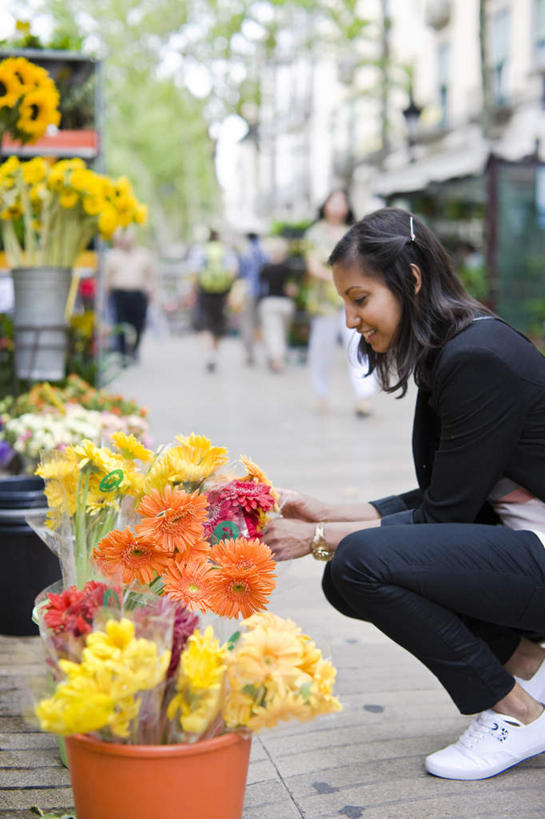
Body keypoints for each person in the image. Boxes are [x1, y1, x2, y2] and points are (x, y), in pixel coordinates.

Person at [264, 206, 545, 781]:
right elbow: (447, 494)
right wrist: (328, 513)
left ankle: (519, 714)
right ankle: (531, 665)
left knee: (361, 562)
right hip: (525, 547)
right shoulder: (452, 350)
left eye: (360, 299)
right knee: (346, 573)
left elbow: (443, 515)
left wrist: (316, 537)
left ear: (411, 280)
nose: (349, 320)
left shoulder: (478, 358)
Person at [304, 190, 377, 416]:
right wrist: (341, 280)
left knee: (358, 346)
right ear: (325, 205)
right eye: (333, 201)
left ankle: (364, 396)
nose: (337, 206)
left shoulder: (354, 234)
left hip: (354, 301)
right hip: (323, 302)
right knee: (321, 349)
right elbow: (313, 267)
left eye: (341, 202)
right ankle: (321, 394)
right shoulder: (314, 234)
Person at [187, 229, 238, 372]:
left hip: (205, 290)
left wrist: (193, 291)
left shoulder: (200, 250)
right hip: (222, 291)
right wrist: (229, 290)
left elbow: (194, 272)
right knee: (219, 323)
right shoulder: (226, 250)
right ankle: (214, 352)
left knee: (205, 323)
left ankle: (209, 353)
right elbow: (233, 271)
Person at [105, 227, 157, 364]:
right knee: (120, 324)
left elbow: (150, 276)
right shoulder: (112, 256)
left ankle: (135, 349)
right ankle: (122, 353)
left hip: (138, 294)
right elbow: (107, 278)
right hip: (120, 294)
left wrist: (152, 292)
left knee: (139, 323)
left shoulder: (143, 255)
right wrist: (105, 295)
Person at [258, 237, 298, 373]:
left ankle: (276, 360)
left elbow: (260, 286)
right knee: (282, 332)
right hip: (286, 304)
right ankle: (277, 358)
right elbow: (292, 289)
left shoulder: (265, 269)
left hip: (269, 302)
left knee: (273, 332)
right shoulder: (289, 268)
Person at [238, 231, 269, 365]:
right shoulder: (264, 252)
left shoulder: (245, 252)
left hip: (249, 290)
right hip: (264, 291)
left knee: (247, 323)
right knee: (264, 323)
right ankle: (269, 353)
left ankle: (249, 353)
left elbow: (240, 272)